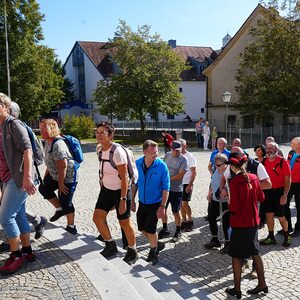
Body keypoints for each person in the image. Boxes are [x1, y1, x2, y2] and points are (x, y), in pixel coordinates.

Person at [0, 93, 37, 275]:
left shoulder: (13, 124)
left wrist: (27, 177)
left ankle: (16, 255)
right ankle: (28, 251)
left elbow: (27, 150)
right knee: (19, 216)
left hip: (19, 178)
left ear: (5, 107)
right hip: (7, 179)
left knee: (5, 217)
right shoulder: (0, 128)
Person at [93, 122, 138, 265]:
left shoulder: (117, 151)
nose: (99, 135)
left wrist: (123, 199)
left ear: (110, 135)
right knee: (97, 218)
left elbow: (124, 178)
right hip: (106, 190)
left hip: (121, 191)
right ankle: (110, 245)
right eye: (97, 132)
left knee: (124, 223)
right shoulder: (100, 149)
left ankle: (132, 251)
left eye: (102, 133)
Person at [225, 152, 268, 299]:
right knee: (255, 252)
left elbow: (234, 208)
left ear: (232, 166)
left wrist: (230, 204)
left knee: (236, 256)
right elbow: (261, 197)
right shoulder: (254, 178)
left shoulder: (234, 182)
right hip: (253, 221)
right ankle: (262, 284)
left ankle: (237, 289)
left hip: (240, 223)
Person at [132, 140, 170, 265]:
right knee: (142, 228)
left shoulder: (161, 166)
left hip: (156, 203)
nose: (156, 155)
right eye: (153, 152)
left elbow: (166, 187)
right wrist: (131, 200)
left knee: (151, 229)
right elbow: (135, 184)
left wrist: (162, 206)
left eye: (157, 152)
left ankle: (153, 253)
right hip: (142, 203)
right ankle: (157, 244)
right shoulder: (137, 164)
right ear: (144, 152)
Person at [38, 119, 78, 235]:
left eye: (43, 129)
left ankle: (71, 227)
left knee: (66, 201)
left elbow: (63, 166)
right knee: (44, 188)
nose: (41, 132)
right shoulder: (47, 142)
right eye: (40, 129)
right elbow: (50, 161)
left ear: (51, 129)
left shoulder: (58, 144)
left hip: (68, 177)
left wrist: (61, 183)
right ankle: (60, 209)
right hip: (55, 174)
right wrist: (47, 173)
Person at [260, 142, 292, 247]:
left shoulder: (282, 161)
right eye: (267, 148)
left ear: (276, 149)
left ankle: (287, 235)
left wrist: (285, 195)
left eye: (271, 148)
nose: (268, 150)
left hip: (279, 192)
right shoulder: (263, 161)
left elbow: (288, 179)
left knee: (281, 216)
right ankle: (271, 237)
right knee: (269, 214)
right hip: (267, 192)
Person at [158, 140, 187, 242]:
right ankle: (165, 229)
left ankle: (178, 231)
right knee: (163, 209)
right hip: (165, 189)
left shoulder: (183, 160)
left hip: (176, 190)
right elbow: (162, 167)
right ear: (171, 149)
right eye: (174, 150)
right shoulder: (167, 156)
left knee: (175, 211)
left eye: (178, 150)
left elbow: (180, 175)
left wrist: (166, 179)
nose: (176, 152)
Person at [204, 154, 230, 252]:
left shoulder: (229, 173)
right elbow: (212, 181)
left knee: (226, 223)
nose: (217, 166)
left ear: (225, 163)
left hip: (225, 202)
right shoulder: (216, 170)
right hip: (214, 199)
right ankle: (215, 239)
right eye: (216, 164)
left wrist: (226, 192)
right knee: (211, 218)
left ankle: (228, 243)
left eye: (219, 165)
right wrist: (210, 192)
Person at [179, 139, 197, 232]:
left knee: (185, 203)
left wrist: (190, 185)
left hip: (187, 183)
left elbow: (194, 172)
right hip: (178, 183)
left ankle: (190, 220)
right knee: (180, 204)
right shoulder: (176, 155)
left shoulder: (189, 156)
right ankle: (184, 221)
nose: (181, 147)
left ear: (185, 146)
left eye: (182, 145)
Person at [285, 137, 300, 237]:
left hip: (299, 184)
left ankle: (298, 228)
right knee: (285, 204)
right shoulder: (291, 153)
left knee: (299, 207)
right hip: (289, 183)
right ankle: (288, 226)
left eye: (293, 144)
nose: (291, 145)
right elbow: (287, 165)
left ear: (299, 145)